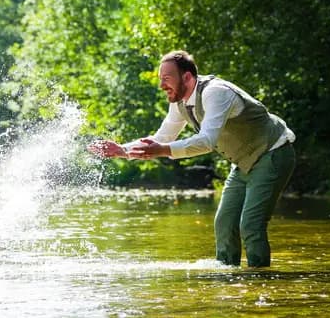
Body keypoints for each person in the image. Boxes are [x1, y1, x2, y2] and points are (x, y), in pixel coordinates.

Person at [88, 50, 295, 267]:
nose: (161, 86)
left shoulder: (216, 93)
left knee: (251, 225)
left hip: (273, 153)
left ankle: (259, 282)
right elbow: (162, 138)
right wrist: (121, 150)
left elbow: (206, 141)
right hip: (243, 164)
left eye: (166, 79)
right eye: (161, 80)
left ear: (187, 77)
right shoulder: (179, 102)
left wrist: (162, 150)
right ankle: (227, 279)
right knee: (224, 224)